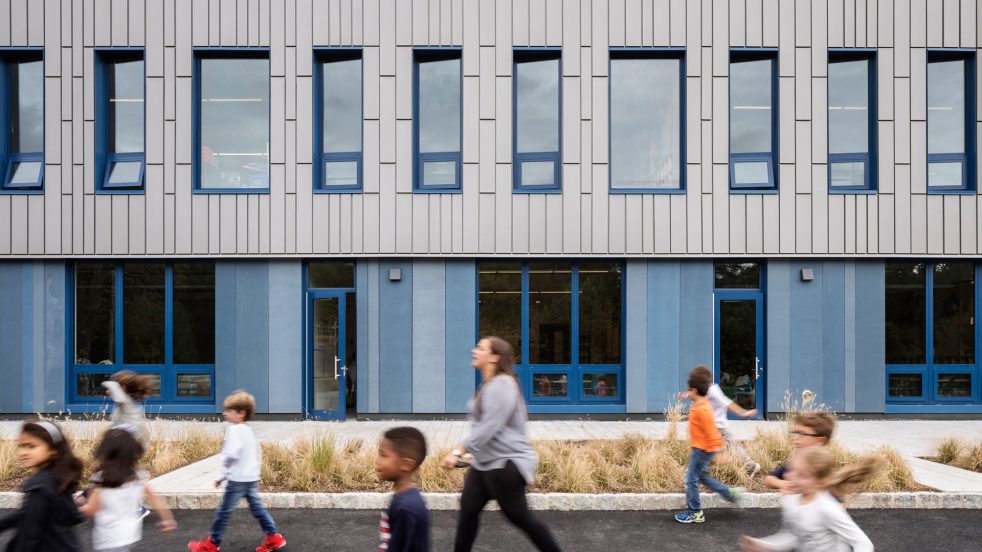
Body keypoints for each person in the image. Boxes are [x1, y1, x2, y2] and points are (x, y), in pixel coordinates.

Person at [441, 337, 562, 552]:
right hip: (485, 463)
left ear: (495, 357)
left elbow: (489, 427)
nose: (474, 351)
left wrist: (458, 451)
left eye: (480, 348)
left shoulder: (503, 385)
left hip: (507, 462)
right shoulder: (488, 385)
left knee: (519, 517)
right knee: (468, 509)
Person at [187, 391, 286, 552]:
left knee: (223, 512)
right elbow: (253, 455)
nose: (225, 413)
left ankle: (212, 544)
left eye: (229, 411)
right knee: (257, 509)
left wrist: (221, 475)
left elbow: (231, 455)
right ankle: (273, 536)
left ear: (241, 413)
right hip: (250, 479)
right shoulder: (248, 431)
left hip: (237, 480)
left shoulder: (234, 431)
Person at [739, 447, 877, 552]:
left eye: (802, 475)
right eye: (792, 470)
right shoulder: (791, 501)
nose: (792, 477)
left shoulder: (827, 509)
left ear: (819, 482)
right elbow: (793, 536)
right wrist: (764, 545)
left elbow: (863, 543)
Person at [77, 427, 177, 552]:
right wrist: (167, 519)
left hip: (107, 538)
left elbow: (92, 510)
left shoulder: (100, 480)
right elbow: (155, 499)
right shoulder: (139, 477)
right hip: (129, 535)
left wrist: (77, 505)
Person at [0, 420, 85, 551]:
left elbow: (29, 536)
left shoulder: (40, 486)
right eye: (21, 446)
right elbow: (27, 514)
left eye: (31, 446)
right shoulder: (57, 477)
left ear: (53, 450)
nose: (24, 452)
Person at [674, 369, 744, 524]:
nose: (687, 393)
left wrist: (718, 452)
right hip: (700, 448)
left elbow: (712, 432)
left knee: (690, 479)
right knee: (702, 477)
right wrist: (684, 395)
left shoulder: (703, 409)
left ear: (695, 390)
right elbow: (693, 396)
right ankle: (730, 494)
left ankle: (695, 512)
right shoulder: (700, 402)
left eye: (688, 391)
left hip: (703, 450)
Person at [679, 366, 760, 476]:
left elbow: (727, 403)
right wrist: (684, 395)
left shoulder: (713, 390)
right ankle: (699, 470)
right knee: (706, 448)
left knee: (728, 446)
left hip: (718, 426)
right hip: (709, 425)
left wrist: (743, 412)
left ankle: (751, 465)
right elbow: (692, 394)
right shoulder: (703, 390)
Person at [375, 426, 431, 551]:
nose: (377, 461)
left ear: (406, 464)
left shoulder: (406, 508)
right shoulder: (405, 498)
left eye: (383, 455)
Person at [764, 412, 837, 493]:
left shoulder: (824, 466)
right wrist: (783, 484)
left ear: (820, 441)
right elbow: (769, 479)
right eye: (795, 433)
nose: (796, 438)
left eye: (802, 434)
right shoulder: (796, 462)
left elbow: (838, 499)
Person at [102, 371, 153, 448]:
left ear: (122, 388)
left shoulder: (126, 401)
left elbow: (117, 396)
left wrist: (109, 384)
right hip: (127, 442)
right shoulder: (131, 403)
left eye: (117, 386)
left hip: (127, 442)